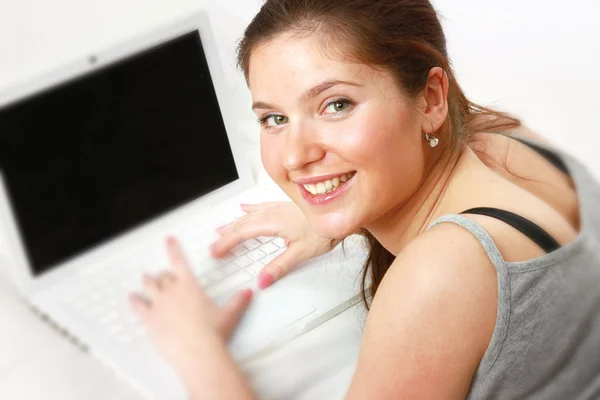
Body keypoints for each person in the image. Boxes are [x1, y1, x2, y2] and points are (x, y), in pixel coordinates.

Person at [128, 0, 600, 398]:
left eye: (336, 105)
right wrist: (336, 213)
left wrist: (199, 354)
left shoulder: (443, 273)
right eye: (274, 119)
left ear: (432, 98)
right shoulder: (507, 142)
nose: (295, 156)